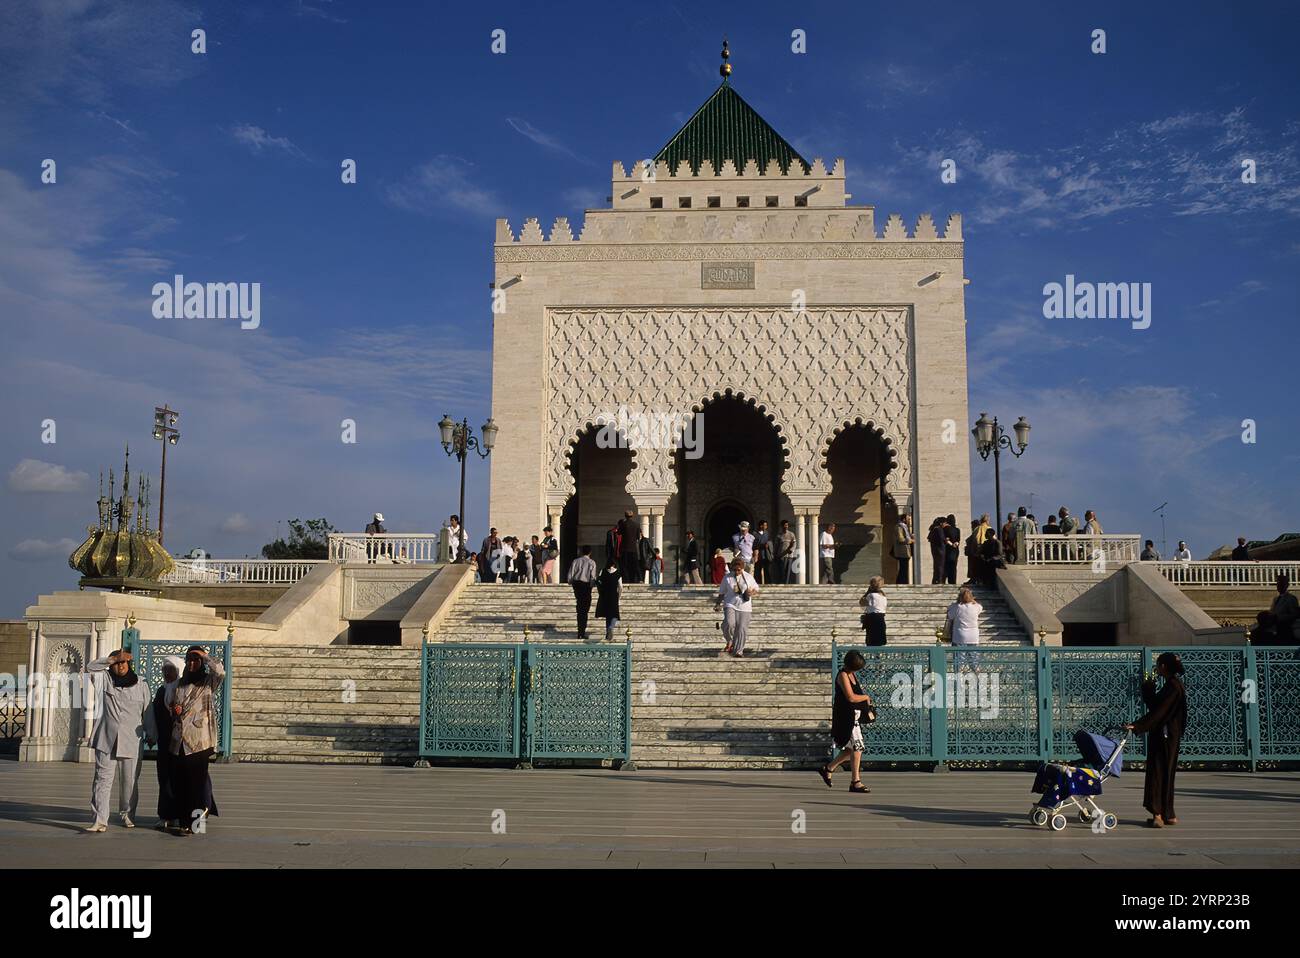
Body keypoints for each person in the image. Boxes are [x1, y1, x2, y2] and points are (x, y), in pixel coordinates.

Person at [84, 649, 151, 832]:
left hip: (131, 739)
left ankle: (128, 815)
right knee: (102, 780)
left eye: (123, 662)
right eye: (117, 663)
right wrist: (112, 659)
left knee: (129, 781)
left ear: (129, 664)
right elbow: (90, 668)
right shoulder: (104, 679)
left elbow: (148, 711)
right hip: (107, 739)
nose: (120, 666)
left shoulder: (141, 684)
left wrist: (152, 733)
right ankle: (99, 819)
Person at [1124, 652, 1187, 828]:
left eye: (1158, 665)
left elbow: (1160, 713)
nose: (1157, 668)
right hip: (1168, 735)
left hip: (1165, 736)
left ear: (1164, 667)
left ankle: (1158, 814)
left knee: (1159, 772)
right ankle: (1168, 813)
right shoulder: (1172, 685)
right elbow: (1158, 706)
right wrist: (1149, 690)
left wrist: (1138, 726)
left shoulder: (1173, 686)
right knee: (1166, 772)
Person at [170, 646, 225, 835]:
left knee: (197, 785)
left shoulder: (208, 683)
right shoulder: (181, 684)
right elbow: (175, 708)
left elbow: (220, 670)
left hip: (200, 742)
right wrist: (174, 710)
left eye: (196, 660)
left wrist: (205, 655)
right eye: (190, 660)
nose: (193, 663)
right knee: (182, 784)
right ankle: (185, 821)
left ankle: (196, 823)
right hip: (180, 743)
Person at [819, 650, 873, 794]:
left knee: (850, 749)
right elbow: (850, 697)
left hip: (854, 716)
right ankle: (855, 782)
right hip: (846, 717)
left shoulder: (851, 674)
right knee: (858, 747)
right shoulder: (843, 675)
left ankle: (828, 768)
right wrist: (866, 697)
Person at [142, 656, 184, 830]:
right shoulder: (161, 691)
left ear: (179, 671)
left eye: (171, 670)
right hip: (165, 743)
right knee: (164, 778)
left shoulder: (185, 690)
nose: (167, 673)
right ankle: (165, 815)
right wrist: (152, 735)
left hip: (182, 744)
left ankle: (181, 816)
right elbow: (156, 715)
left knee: (179, 779)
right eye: (165, 670)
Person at [714, 556, 759, 657]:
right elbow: (721, 593)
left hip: (745, 606)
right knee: (729, 623)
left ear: (742, 568)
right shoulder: (727, 578)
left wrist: (751, 592)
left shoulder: (748, 577)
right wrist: (717, 604)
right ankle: (730, 640)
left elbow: (756, 588)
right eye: (734, 569)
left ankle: (739, 651)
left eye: (739, 569)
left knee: (742, 629)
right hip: (730, 604)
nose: (737, 571)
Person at [945, 587, 983, 670]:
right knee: (973, 659)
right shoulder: (976, 607)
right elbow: (980, 606)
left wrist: (957, 602)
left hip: (959, 636)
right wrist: (972, 600)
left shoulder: (957, 607)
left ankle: (958, 677)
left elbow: (949, 614)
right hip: (973, 636)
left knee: (958, 660)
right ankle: (977, 676)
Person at [569, 545, 598, 640]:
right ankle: (582, 631)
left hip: (577, 585)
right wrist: (592, 586)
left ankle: (580, 631)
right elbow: (592, 577)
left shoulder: (576, 561)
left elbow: (571, 574)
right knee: (584, 609)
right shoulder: (591, 562)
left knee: (580, 607)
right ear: (590, 552)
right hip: (586, 586)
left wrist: (570, 582)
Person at [595, 558, 622, 641]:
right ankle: (611, 628)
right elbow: (620, 586)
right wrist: (619, 597)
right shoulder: (618, 573)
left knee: (607, 615)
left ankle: (608, 633)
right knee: (614, 615)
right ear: (614, 564)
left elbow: (598, 581)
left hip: (604, 595)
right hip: (613, 595)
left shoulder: (603, 571)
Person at [1270, 574, 1299, 643]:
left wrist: (1279, 617)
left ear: (1286, 585)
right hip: (1276, 628)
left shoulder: (1291, 598)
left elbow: (1294, 615)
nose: (1279, 586)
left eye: (1281, 584)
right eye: (1278, 583)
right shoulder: (1276, 599)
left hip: (1285, 629)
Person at [859, 576, 887, 646]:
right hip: (881, 619)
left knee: (871, 641)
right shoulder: (883, 596)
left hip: (873, 619)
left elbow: (861, 603)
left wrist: (867, 592)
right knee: (879, 641)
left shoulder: (871, 595)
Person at [619, 511, 643, 585]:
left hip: (625, 548)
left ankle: (625, 580)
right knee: (635, 564)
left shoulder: (623, 524)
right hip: (633, 548)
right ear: (632, 516)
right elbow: (638, 537)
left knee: (624, 565)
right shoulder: (636, 524)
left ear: (625, 516)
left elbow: (619, 533)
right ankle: (640, 579)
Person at [893, 513, 913, 585]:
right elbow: (900, 539)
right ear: (904, 519)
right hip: (902, 551)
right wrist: (910, 541)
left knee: (904, 568)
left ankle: (903, 582)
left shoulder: (904, 527)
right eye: (908, 519)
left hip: (905, 551)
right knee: (903, 568)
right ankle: (901, 582)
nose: (909, 520)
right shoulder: (899, 526)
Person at [776, 519, 797, 584]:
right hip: (781, 556)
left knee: (788, 572)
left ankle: (787, 584)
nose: (786, 526)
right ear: (782, 526)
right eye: (785, 525)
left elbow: (794, 544)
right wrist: (776, 554)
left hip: (789, 556)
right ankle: (782, 584)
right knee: (782, 571)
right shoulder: (779, 535)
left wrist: (791, 550)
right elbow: (776, 546)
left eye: (787, 525)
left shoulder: (791, 534)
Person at [943, 515, 960, 585]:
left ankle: (945, 581)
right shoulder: (957, 530)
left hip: (948, 549)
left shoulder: (946, 529)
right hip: (955, 550)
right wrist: (955, 544)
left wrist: (951, 544)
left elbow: (945, 539)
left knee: (946, 566)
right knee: (954, 567)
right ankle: (953, 581)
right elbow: (958, 540)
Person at [753, 520, 771, 584]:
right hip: (758, 555)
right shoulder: (755, 534)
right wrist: (762, 545)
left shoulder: (767, 533)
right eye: (765, 525)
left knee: (767, 570)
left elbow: (769, 541)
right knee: (758, 570)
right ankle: (758, 583)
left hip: (766, 555)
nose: (766, 526)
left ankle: (768, 583)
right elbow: (754, 545)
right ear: (761, 526)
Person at [928, 517, 946, 582]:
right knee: (940, 566)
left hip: (935, 550)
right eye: (945, 523)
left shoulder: (933, 529)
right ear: (941, 523)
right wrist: (946, 541)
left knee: (936, 565)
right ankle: (939, 580)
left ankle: (935, 580)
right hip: (940, 550)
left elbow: (929, 539)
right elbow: (941, 539)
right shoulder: (939, 529)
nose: (945, 525)